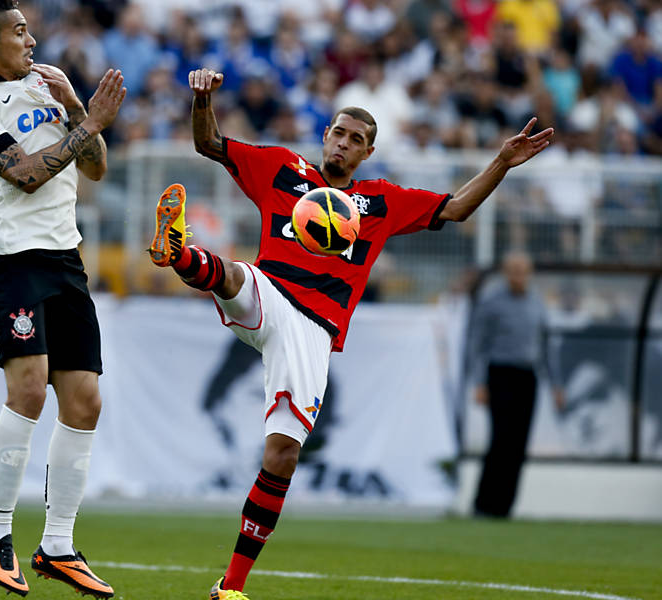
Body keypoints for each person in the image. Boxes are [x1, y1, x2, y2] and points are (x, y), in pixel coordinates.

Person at [148, 68, 554, 599]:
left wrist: (501, 162)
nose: (343, 143)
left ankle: (231, 587)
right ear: (325, 135)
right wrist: (202, 98)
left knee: (282, 456)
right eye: (338, 132)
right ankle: (178, 252)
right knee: (234, 276)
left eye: (356, 139)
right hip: (270, 291)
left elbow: (454, 208)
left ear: (367, 153)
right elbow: (209, 142)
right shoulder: (281, 169)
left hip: (312, 331)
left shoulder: (379, 203)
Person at [0, 1, 125, 598]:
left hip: (64, 261)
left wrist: (76, 108)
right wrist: (90, 124)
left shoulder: (48, 86)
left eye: (29, 27)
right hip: (13, 262)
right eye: (19, 30)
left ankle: (57, 546)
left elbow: (95, 170)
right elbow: (24, 174)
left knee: (86, 402)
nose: (31, 37)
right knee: (27, 389)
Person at [468, 251, 565, 517]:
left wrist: (556, 385)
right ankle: (483, 504)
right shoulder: (492, 302)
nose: (518, 276)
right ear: (505, 273)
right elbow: (477, 345)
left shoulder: (537, 302)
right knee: (500, 439)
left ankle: (505, 506)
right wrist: (479, 383)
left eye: (522, 271)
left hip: (527, 376)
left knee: (519, 444)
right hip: (500, 374)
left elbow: (546, 346)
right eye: (513, 270)